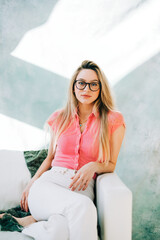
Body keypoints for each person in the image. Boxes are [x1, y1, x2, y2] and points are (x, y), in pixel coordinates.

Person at [1, 60, 125, 240]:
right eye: (81, 83)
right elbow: (50, 158)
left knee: (59, 230)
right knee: (84, 207)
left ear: (101, 88)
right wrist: (31, 183)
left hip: (82, 188)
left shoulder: (113, 120)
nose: (86, 89)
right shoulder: (60, 117)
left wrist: (93, 166)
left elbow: (111, 164)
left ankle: (27, 225)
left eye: (93, 84)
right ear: (74, 86)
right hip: (49, 185)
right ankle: (30, 219)